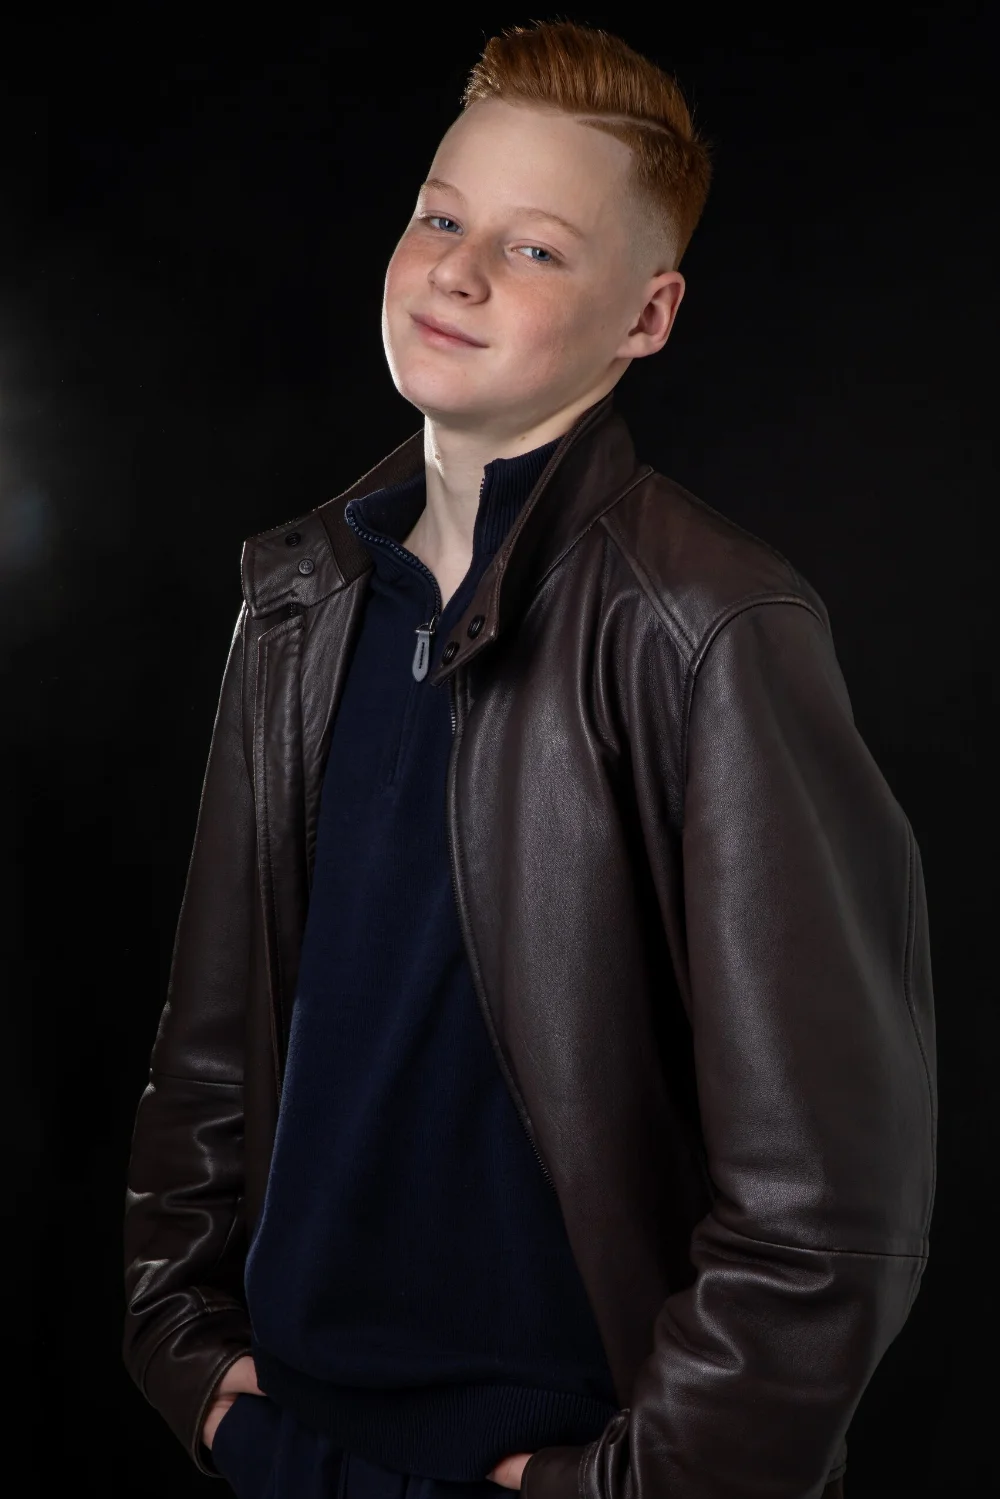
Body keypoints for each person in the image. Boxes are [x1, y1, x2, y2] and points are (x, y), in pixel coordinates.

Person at [122, 19, 936, 1499]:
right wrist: (192, 1365)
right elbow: (210, 1051)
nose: (460, 271)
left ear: (648, 317)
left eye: (539, 248)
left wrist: (627, 1484)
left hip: (542, 1459)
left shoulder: (712, 627)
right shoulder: (296, 602)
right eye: (442, 218)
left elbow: (826, 1214)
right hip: (289, 1432)